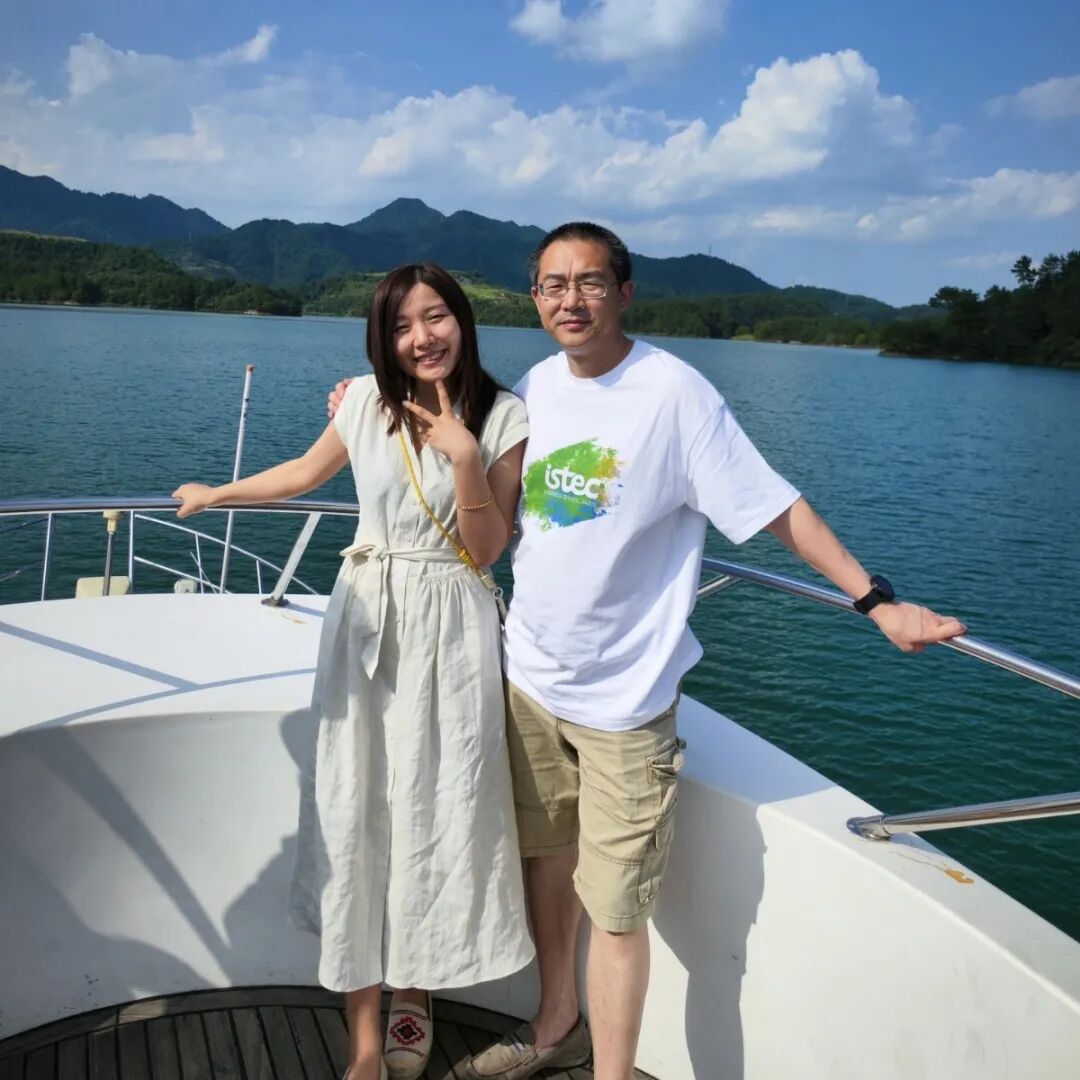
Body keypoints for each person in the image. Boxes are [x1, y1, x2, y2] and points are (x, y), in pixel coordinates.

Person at [327, 224, 967, 1080]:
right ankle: (556, 1024)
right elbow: (477, 492)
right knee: (548, 869)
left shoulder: (675, 395)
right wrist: (362, 393)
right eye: (553, 285)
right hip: (528, 681)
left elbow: (776, 506)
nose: (571, 300)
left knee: (618, 909)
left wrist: (876, 600)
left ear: (624, 292)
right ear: (534, 298)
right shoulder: (535, 389)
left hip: (625, 705)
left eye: (590, 283)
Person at [174, 262, 535, 1080]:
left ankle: (416, 985)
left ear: (463, 319)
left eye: (436, 317)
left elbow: (486, 550)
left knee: (435, 807)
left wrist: (465, 457)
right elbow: (304, 475)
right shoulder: (368, 401)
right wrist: (218, 493)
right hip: (367, 616)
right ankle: (365, 1035)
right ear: (383, 338)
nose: (422, 337)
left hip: (451, 628)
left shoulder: (505, 415)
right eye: (403, 325)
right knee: (355, 803)